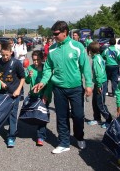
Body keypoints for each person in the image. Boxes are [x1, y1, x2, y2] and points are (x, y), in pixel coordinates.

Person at [33, 20, 93, 154]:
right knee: (61, 116)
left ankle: (79, 137)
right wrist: (42, 82)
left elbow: (85, 67)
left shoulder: (77, 46)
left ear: (65, 32)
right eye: (53, 34)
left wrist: (89, 84)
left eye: (56, 34)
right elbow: (48, 69)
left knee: (78, 115)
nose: (54, 36)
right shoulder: (52, 49)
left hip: (76, 88)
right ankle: (64, 142)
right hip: (58, 88)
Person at [0, 43, 25, 148]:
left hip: (14, 93)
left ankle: (11, 136)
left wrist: (18, 90)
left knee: (13, 114)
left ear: (11, 52)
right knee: (1, 114)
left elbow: (22, 78)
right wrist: (0, 82)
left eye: (7, 55)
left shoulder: (17, 63)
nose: (5, 57)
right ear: (0, 53)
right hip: (2, 93)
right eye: (3, 55)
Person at [25, 50, 52, 146]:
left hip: (43, 95)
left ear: (42, 59)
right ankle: (38, 130)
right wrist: (28, 76)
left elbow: (49, 83)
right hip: (34, 95)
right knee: (34, 114)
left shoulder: (46, 68)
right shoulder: (30, 68)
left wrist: (46, 95)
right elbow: (27, 82)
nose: (35, 62)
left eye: (38, 60)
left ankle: (41, 136)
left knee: (42, 116)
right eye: (34, 60)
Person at [87, 41, 113, 128]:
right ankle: (97, 119)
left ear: (91, 51)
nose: (89, 53)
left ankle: (109, 120)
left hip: (100, 83)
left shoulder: (96, 60)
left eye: (89, 51)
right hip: (99, 83)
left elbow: (99, 74)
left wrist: (98, 86)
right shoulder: (98, 57)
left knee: (100, 103)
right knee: (95, 102)